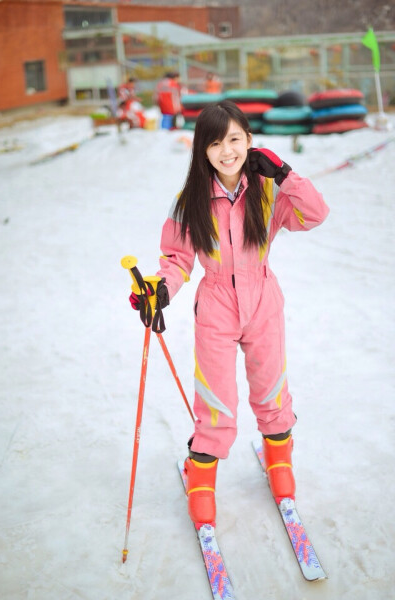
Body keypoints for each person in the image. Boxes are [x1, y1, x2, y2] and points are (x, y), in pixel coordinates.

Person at [129, 100, 329, 528]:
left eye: (235, 139)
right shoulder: (189, 202)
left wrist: (284, 174)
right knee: (217, 402)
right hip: (216, 307)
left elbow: (315, 214)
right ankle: (200, 479)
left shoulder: (269, 191)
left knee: (272, 391)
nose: (227, 151)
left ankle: (280, 462)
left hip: (263, 302)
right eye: (215, 143)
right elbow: (177, 259)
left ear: (249, 142)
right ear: (202, 150)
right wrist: (160, 289)